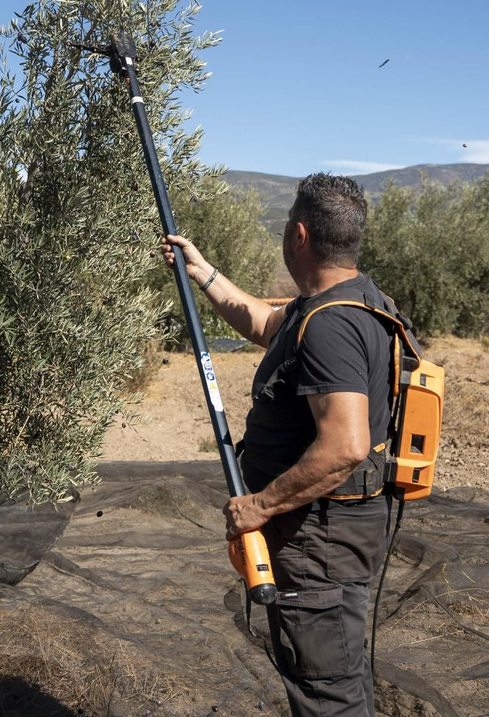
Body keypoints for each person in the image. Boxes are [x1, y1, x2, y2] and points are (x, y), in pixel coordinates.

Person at [161, 173, 396, 717]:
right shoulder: (347, 303)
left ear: (299, 234)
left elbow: (346, 444)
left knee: (326, 694)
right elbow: (266, 322)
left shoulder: (331, 326)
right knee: (337, 676)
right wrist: (203, 273)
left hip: (318, 543)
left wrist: (259, 506)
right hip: (330, 537)